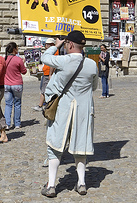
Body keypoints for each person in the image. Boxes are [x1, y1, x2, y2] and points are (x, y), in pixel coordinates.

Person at [40, 30, 98, 198]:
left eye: (66, 44)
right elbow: (94, 87)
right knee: (81, 146)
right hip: (84, 110)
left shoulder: (64, 60)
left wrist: (55, 45)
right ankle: (81, 183)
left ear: (70, 44)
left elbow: (45, 57)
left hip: (63, 109)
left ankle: (51, 185)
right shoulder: (91, 64)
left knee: (55, 146)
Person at [4, 42, 27, 129]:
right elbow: (23, 71)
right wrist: (23, 62)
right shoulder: (18, 59)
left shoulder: (4, 59)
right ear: (14, 49)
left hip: (6, 84)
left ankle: (7, 123)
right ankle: (17, 123)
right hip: (17, 84)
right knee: (17, 104)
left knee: (8, 104)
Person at [33, 38, 56, 112]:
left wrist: (50, 74)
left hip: (48, 74)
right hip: (45, 73)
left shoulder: (54, 52)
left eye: (48, 44)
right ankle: (44, 104)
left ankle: (41, 105)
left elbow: (53, 63)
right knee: (43, 89)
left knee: (44, 90)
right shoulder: (49, 52)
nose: (46, 46)